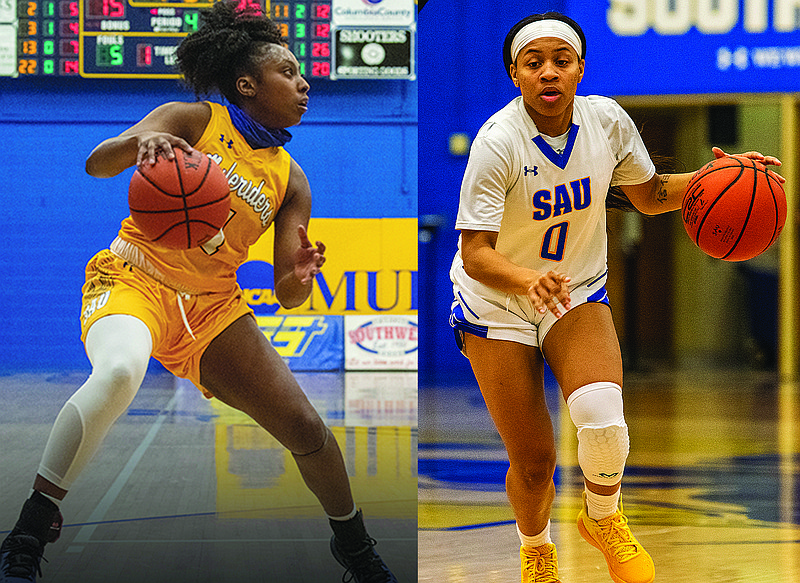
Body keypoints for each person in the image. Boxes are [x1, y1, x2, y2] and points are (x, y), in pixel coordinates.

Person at [0, 3, 397, 582]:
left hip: (213, 309)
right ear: (247, 84)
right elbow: (95, 163)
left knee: (308, 431)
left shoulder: (292, 179)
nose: (304, 82)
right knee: (118, 373)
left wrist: (300, 274)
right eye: (288, 71)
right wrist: (143, 144)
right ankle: (31, 529)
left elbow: (287, 295)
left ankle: (357, 551)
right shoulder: (191, 118)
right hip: (134, 276)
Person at [448, 12, 784, 583]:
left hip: (575, 290)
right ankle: (536, 550)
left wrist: (716, 180)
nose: (549, 71)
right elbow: (477, 252)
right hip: (496, 300)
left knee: (602, 416)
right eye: (535, 63)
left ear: (581, 69)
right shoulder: (497, 142)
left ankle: (601, 516)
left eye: (562, 60)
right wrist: (527, 279)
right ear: (515, 74)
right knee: (534, 465)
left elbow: (649, 196)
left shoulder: (607, 121)